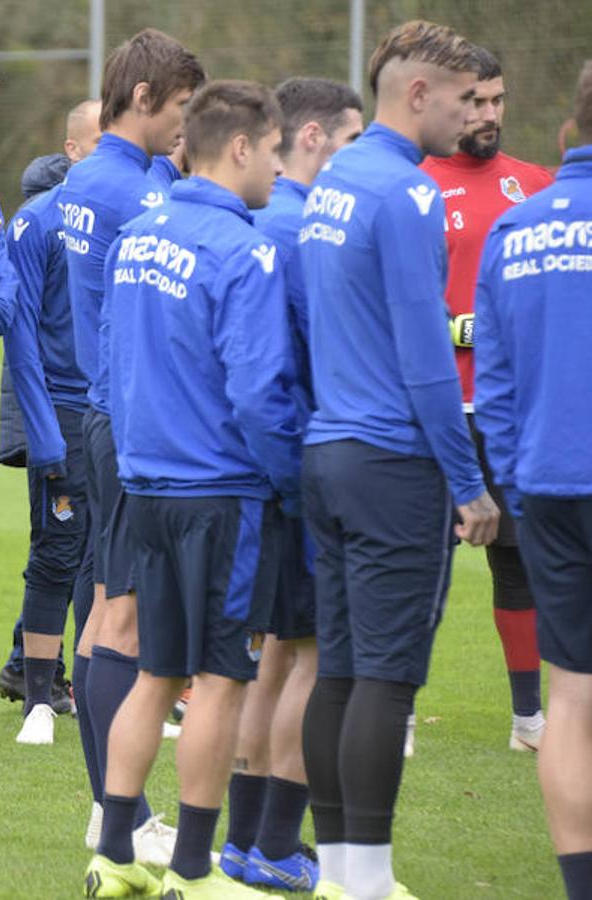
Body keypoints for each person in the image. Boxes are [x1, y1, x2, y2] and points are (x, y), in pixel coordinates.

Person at [298, 21, 500, 899]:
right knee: (385, 675)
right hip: (390, 462)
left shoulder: (332, 180)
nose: (471, 115)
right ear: (417, 93)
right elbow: (427, 358)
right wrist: (469, 482)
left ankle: (343, 871)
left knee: (339, 669)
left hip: (329, 449)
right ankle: (369, 880)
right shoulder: (409, 194)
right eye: (462, 98)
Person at [84, 79, 299, 899]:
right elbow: (256, 391)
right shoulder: (245, 249)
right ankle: (194, 871)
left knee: (155, 674)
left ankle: (112, 854)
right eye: (274, 151)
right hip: (220, 491)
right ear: (240, 148)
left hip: (147, 484)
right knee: (219, 680)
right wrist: (290, 483)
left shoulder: (139, 233)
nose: (278, 169)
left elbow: (111, 360)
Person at [59, 27, 205, 864]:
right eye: (181, 109)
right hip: (132, 419)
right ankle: (116, 814)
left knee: (111, 613)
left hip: (102, 412)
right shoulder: (138, 196)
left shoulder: (94, 177)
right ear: (144, 98)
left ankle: (111, 809)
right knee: (121, 620)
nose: (186, 128)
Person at [218, 77, 363, 892]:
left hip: (246, 472)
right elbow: (303, 364)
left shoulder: (254, 222)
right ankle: (274, 842)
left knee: (272, 656)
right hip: (293, 464)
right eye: (348, 142)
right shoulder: (302, 227)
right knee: (310, 658)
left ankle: (247, 841)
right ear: (310, 138)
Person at [474, 59, 592, 900]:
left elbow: (498, 382)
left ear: (567, 130)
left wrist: (518, 486)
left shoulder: (519, 227)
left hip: (547, 486)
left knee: (571, 698)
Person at [419, 46, 555, 754]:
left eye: (497, 99)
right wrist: (455, 327)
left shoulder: (536, 184)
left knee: (520, 561)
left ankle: (529, 718)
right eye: (474, 100)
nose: (489, 113)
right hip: (433, 411)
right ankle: (400, 712)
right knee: (418, 566)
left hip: (509, 413)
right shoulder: (412, 185)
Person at [0, 99, 103, 737]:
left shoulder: (130, 214)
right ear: (71, 149)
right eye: (96, 142)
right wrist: (40, 433)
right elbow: (21, 336)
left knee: (108, 555)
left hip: (113, 409)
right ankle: (38, 695)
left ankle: (93, 686)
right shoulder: (37, 221)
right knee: (58, 552)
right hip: (61, 410)